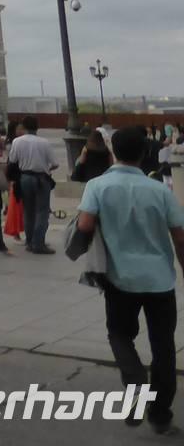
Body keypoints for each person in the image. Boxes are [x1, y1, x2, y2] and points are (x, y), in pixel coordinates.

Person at [77, 125, 184, 433]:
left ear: (114, 152)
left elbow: (84, 226)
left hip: (119, 279)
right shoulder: (160, 190)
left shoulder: (97, 186)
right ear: (146, 153)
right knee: (163, 347)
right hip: (160, 280)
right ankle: (161, 415)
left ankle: (135, 380)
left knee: (120, 334)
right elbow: (180, 238)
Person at [7, 114, 59, 254]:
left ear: (23, 127)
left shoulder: (17, 142)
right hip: (42, 178)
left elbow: (13, 160)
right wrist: (45, 169)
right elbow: (55, 164)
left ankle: (29, 242)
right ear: (37, 127)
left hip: (25, 177)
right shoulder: (44, 142)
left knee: (28, 211)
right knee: (42, 212)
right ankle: (39, 243)